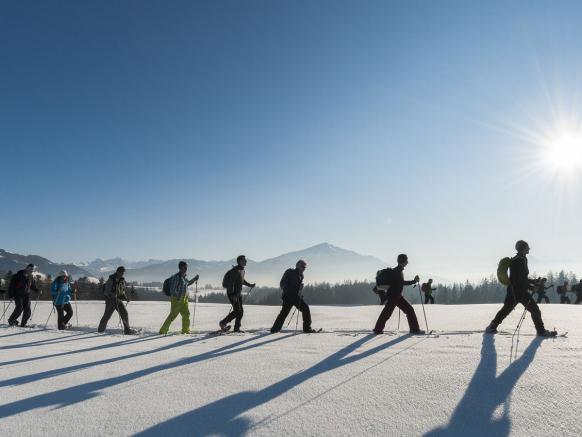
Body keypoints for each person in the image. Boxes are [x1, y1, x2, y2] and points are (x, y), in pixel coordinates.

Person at [486, 240, 556, 337]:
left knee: (506, 309)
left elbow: (522, 278)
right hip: (519, 292)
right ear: (523, 248)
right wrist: (531, 287)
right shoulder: (519, 260)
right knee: (535, 310)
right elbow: (519, 279)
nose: (529, 249)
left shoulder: (519, 259)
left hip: (513, 291)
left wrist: (533, 281)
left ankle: (492, 327)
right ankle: (541, 331)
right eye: (527, 247)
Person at [373, 254, 423, 335]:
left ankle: (377, 329)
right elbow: (402, 283)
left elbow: (399, 283)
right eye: (406, 260)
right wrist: (414, 281)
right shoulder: (397, 271)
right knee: (389, 313)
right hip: (394, 296)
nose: (407, 262)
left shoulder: (397, 270)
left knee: (388, 313)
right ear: (403, 261)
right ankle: (414, 330)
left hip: (396, 296)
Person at [270, 260, 317, 333]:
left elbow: (296, 288)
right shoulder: (290, 272)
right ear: (297, 265)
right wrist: (288, 291)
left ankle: (307, 329)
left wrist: (299, 290)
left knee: (305, 308)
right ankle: (274, 330)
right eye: (302, 266)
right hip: (288, 296)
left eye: (305, 267)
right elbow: (282, 283)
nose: (304, 268)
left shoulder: (301, 276)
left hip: (295, 297)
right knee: (284, 313)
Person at [159, 261, 199, 335]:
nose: (186, 269)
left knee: (186, 314)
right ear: (180, 268)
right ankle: (163, 331)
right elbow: (173, 289)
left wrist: (194, 279)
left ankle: (185, 331)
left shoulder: (184, 277)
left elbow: (187, 283)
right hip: (177, 299)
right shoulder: (176, 277)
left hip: (184, 299)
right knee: (173, 315)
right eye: (185, 267)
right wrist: (178, 296)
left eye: (186, 267)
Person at [219, 255, 256, 333]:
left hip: (238, 294)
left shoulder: (242, 270)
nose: (246, 261)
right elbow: (231, 283)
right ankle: (223, 323)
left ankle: (236, 328)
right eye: (244, 260)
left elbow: (242, 280)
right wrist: (233, 295)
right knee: (237, 311)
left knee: (240, 311)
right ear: (239, 261)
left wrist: (250, 285)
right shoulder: (235, 270)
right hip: (233, 293)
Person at [98, 266, 136, 334]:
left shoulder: (122, 280)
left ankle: (127, 330)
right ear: (118, 271)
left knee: (124, 313)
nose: (122, 273)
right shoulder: (111, 279)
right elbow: (107, 291)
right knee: (107, 316)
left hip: (118, 300)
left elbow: (122, 292)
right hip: (111, 301)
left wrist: (125, 298)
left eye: (123, 272)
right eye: (122, 272)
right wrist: (112, 295)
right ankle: (100, 330)